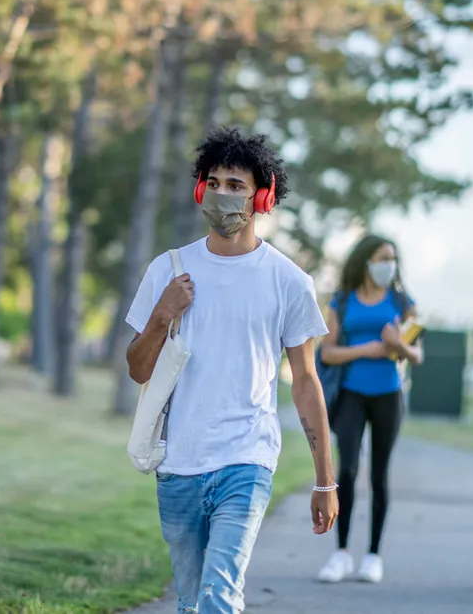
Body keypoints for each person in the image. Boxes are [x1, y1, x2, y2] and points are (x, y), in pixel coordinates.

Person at [125, 126, 338, 614]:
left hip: (247, 457)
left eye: (236, 185)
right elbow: (138, 369)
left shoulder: (289, 281)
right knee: (190, 601)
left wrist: (325, 481)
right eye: (214, 182)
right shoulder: (168, 269)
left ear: (262, 197)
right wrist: (162, 314)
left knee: (219, 596)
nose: (222, 194)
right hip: (177, 462)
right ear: (201, 188)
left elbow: (306, 382)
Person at [315, 235, 423, 585]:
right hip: (350, 394)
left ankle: (373, 555)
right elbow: (327, 352)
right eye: (381, 257)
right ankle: (341, 553)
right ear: (365, 261)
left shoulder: (402, 300)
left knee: (379, 474)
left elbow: (418, 355)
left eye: (392, 258)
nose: (388, 264)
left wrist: (398, 345)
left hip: (388, 395)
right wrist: (368, 349)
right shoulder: (342, 301)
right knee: (345, 469)